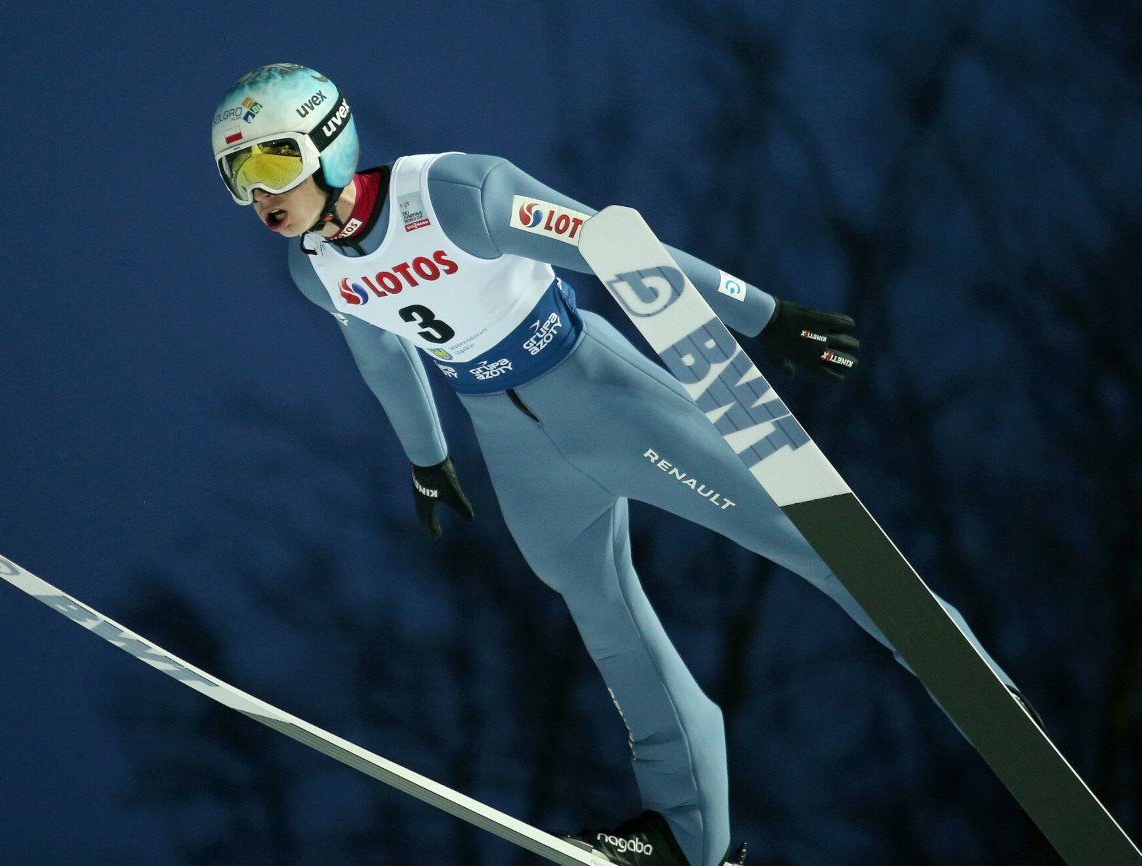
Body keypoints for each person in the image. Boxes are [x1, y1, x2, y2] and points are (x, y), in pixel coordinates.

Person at [210, 63, 1020, 866]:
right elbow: (386, 357)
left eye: (274, 162)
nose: (261, 195)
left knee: (798, 530)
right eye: (238, 176)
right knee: (606, 618)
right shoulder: (315, 270)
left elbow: (613, 248)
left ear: (329, 143)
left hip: (599, 391)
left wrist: (764, 317)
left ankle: (970, 679)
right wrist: (429, 461)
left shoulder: (457, 195)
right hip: (511, 441)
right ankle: (687, 834)